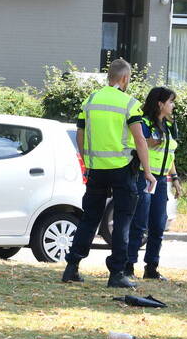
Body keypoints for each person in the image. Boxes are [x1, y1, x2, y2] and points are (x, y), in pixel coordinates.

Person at [61, 59, 155, 288]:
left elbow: (80, 134)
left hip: (96, 170)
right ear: (124, 78)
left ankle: (72, 267)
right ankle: (116, 273)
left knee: (89, 218)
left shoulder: (90, 100)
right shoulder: (129, 104)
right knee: (122, 221)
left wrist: (87, 161)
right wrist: (148, 172)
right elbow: (140, 140)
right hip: (122, 169)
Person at [126, 86, 180, 281]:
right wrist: (152, 140)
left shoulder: (169, 125)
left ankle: (151, 268)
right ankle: (128, 265)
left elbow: (170, 154)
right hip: (144, 177)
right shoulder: (145, 122)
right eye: (171, 102)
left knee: (158, 225)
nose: (173, 105)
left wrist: (174, 178)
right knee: (139, 223)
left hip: (161, 180)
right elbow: (141, 143)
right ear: (160, 103)